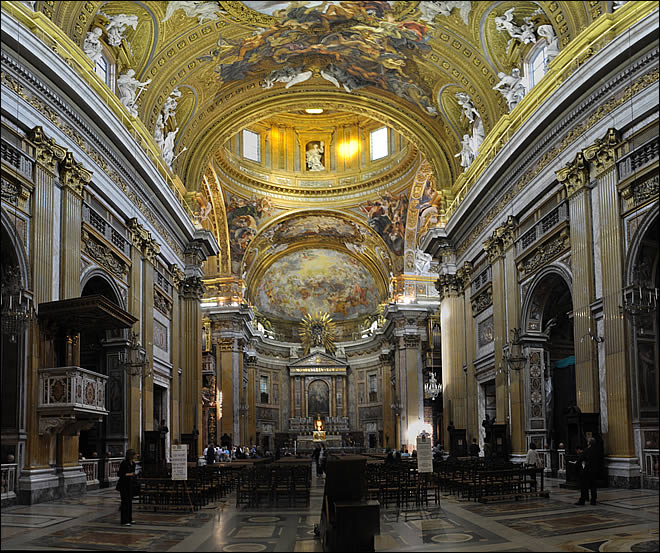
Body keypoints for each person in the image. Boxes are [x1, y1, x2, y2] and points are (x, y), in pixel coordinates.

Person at [575, 438, 602, 505]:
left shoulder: (586, 450)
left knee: (584, 486)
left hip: (587, 471)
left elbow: (581, 459)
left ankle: (582, 500)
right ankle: (593, 500)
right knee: (593, 486)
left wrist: (577, 463)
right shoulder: (598, 451)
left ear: (588, 443)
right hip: (595, 471)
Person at [117, 449, 137, 526]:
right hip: (124, 485)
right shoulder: (124, 463)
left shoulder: (133, 464)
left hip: (130, 485)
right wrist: (129, 474)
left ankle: (129, 519)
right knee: (125, 503)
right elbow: (120, 474)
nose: (136, 456)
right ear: (131, 455)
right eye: (135, 454)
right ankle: (124, 520)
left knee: (129, 503)